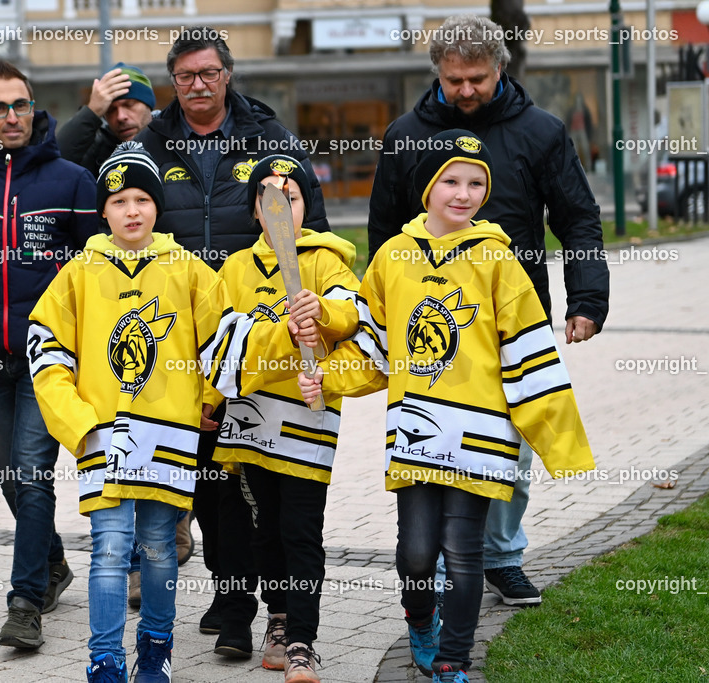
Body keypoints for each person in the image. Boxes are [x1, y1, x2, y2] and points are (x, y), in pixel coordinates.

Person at [303, 130, 596, 683]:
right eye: (452, 181)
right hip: (414, 433)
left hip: (481, 437)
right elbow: (373, 344)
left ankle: (453, 660)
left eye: (476, 184)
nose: (464, 194)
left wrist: (561, 444)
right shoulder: (392, 257)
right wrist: (327, 377)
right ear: (427, 187)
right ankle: (420, 619)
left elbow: (529, 353)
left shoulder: (498, 260)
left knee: (463, 554)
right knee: (416, 554)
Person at [367, 13, 609, 607]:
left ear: (500, 67)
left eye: (477, 78)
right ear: (437, 73)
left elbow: (577, 217)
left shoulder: (541, 131)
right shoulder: (405, 134)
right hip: (428, 327)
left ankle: (500, 555)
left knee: (511, 442)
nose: (466, 89)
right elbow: (383, 230)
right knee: (433, 439)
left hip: (512, 320)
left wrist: (587, 298)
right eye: (454, 80)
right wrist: (377, 313)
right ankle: (442, 561)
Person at [135, 25, 331, 658]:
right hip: (180, 331)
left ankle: (267, 609)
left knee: (255, 477)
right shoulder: (149, 142)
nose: (198, 84)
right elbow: (115, 205)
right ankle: (230, 589)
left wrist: (316, 317)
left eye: (209, 73)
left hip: (262, 332)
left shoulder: (270, 137)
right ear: (172, 81)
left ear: (227, 75)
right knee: (204, 476)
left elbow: (311, 229)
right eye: (185, 75)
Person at [28, 141, 230, 683]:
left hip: (169, 433)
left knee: (160, 548)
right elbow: (46, 350)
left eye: (142, 199)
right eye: (119, 201)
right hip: (103, 435)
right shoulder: (78, 273)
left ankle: (156, 647)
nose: (132, 211)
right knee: (110, 549)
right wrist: (77, 423)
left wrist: (206, 400)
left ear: (157, 206)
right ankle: (105, 659)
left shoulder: (190, 270)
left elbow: (221, 343)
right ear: (104, 210)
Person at [206, 155, 385, 681]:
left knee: (301, 532)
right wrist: (208, 400)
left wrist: (321, 312)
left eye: (292, 197)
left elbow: (352, 313)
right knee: (265, 532)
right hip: (250, 424)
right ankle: (278, 618)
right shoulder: (234, 269)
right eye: (268, 198)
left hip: (308, 424)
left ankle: (304, 642)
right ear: (254, 211)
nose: (281, 207)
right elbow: (218, 342)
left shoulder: (328, 261)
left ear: (308, 204)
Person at [0, 59, 98, 650]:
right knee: (11, 475)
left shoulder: (72, 181)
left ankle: (25, 602)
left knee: (32, 475)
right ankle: (52, 563)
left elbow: (94, 274)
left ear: (34, 108)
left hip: (47, 357)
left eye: (21, 104)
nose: (12, 116)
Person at [57, 62, 156, 177]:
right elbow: (57, 164)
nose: (120, 117)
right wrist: (92, 111)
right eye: (111, 110)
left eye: (129, 105)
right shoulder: (97, 151)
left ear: (148, 106)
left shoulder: (169, 138)